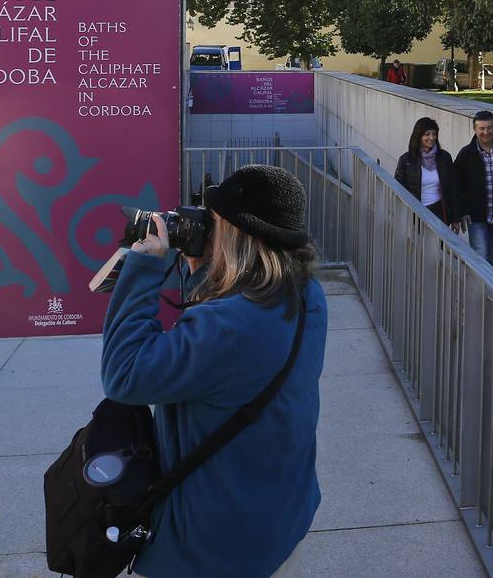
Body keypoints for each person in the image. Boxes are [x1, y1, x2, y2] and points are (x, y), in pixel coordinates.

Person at [100, 165, 328, 577]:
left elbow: (124, 374)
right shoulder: (307, 294)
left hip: (214, 548)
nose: (206, 229)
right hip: (279, 519)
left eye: (214, 223)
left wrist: (144, 269)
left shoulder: (227, 326)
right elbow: (225, 355)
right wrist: (201, 269)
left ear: (238, 235)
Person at [453, 110, 493, 265]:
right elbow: (455, 183)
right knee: (480, 256)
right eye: (481, 128)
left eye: (489, 128)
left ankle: (483, 288)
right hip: (476, 216)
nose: (486, 132)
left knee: (492, 254)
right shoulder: (467, 154)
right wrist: (462, 211)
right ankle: (478, 287)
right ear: (475, 130)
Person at [393, 116, 462, 227]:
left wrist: (455, 218)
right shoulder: (406, 160)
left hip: (439, 212)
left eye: (434, 134)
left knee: (438, 244)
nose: (431, 138)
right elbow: (398, 188)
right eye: (427, 134)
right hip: (415, 214)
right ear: (419, 136)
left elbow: (453, 188)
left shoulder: (444, 157)